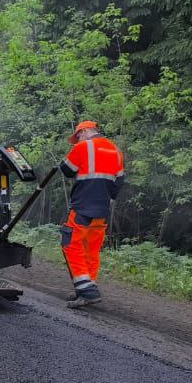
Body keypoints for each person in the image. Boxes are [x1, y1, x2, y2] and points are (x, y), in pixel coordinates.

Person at [58, 120, 125, 308]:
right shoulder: (116, 151)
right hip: (102, 211)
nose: (77, 140)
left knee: (70, 244)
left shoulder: (83, 147)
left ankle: (87, 291)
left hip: (82, 208)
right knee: (91, 249)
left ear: (85, 131)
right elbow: (119, 182)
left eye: (78, 136)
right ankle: (88, 286)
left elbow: (67, 170)